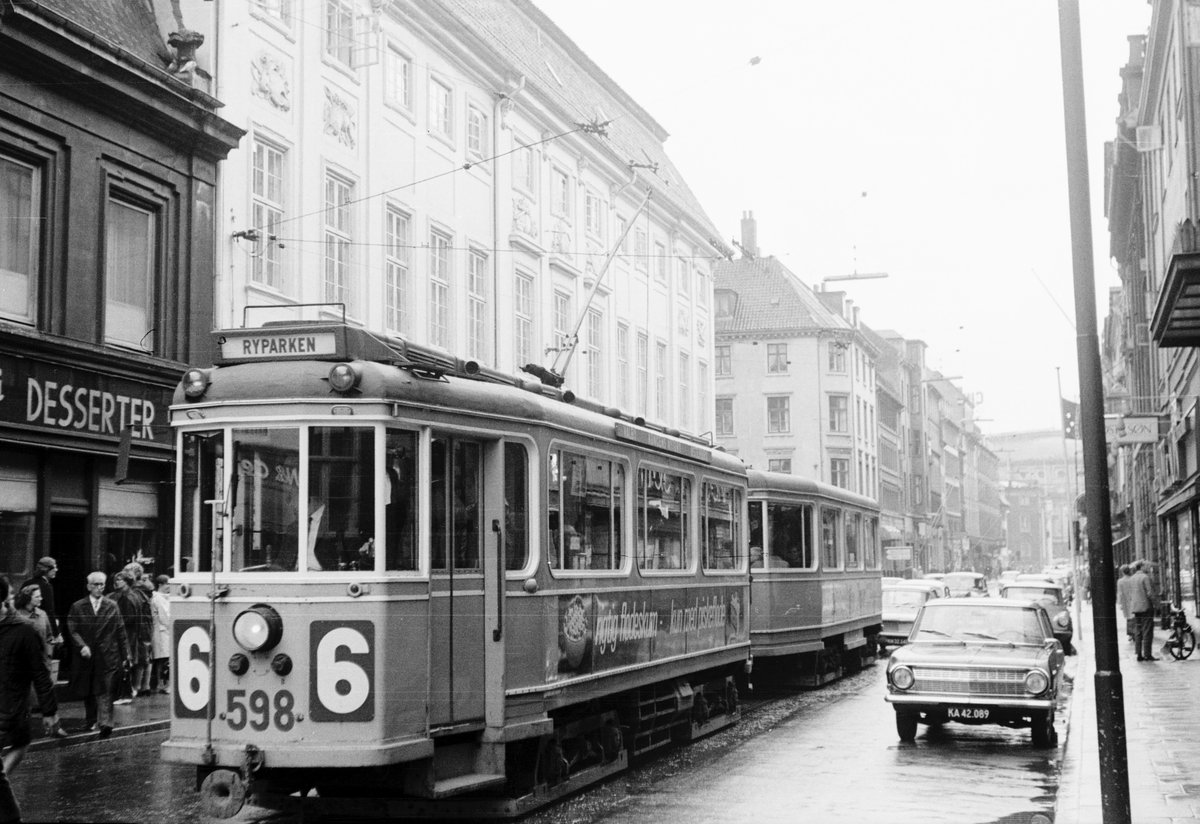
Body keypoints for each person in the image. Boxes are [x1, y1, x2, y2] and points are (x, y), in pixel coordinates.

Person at [0, 575, 62, 823]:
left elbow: (40, 672)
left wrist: (49, 711)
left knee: (20, 742)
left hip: (10, 706)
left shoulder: (24, 631)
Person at [66, 572, 130, 739]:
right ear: (88, 586)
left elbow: (121, 630)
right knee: (89, 689)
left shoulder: (112, 605)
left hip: (108, 654)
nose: (99, 588)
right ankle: (91, 719)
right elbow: (73, 629)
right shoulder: (78, 606)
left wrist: (127, 655)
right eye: (96, 584)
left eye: (102, 584)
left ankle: (106, 723)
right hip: (88, 656)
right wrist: (82, 646)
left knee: (106, 689)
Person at [110, 572, 150, 703]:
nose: (117, 582)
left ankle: (124, 693)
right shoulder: (133, 595)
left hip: (127, 633)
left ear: (127, 582)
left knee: (124, 660)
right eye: (116, 579)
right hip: (133, 633)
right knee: (129, 660)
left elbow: (129, 618)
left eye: (120, 580)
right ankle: (129, 690)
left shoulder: (126, 597)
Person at [18, 557, 59, 640]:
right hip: (39, 625)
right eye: (54, 567)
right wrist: (56, 633)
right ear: (47, 570)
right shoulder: (47, 587)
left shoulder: (27, 582)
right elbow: (49, 611)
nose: (56, 570)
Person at [1127, 559, 1158, 661]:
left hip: (1136, 608)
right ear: (1142, 567)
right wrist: (1156, 604)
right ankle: (1147, 654)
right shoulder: (1145, 577)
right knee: (1147, 631)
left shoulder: (1132, 578)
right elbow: (1149, 593)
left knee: (1138, 631)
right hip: (1146, 607)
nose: (1148, 567)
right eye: (1147, 566)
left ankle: (1139, 654)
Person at [148, 575, 171, 694]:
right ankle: (162, 684)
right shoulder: (157, 598)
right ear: (161, 585)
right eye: (167, 584)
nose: (169, 587)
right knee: (162, 659)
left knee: (166, 659)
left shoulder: (166, 597)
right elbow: (165, 617)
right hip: (162, 632)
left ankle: (165, 683)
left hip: (166, 631)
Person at [1116, 564, 1134, 641]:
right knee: (1134, 616)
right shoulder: (1132, 579)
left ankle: (1130, 634)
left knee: (1129, 617)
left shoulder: (1120, 581)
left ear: (1123, 572)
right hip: (1133, 599)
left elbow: (1119, 593)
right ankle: (1135, 633)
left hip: (1125, 601)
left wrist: (1119, 603)